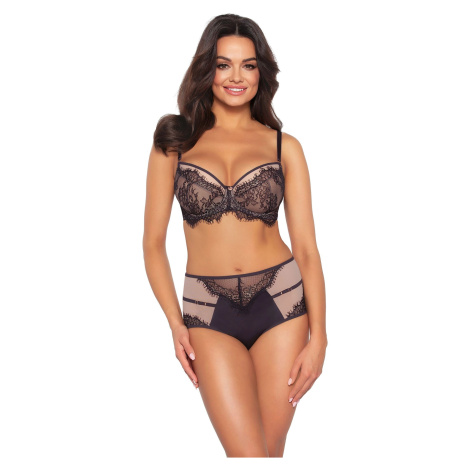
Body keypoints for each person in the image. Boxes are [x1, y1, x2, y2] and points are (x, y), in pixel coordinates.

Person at [143, 13, 327, 458]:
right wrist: (174, 322)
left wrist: (320, 336)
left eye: (248, 65)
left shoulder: (284, 146)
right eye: (224, 65)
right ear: (207, 70)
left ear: (261, 73)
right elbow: (152, 244)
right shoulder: (174, 143)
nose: (236, 77)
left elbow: (306, 248)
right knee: (247, 455)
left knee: (269, 452)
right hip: (207, 310)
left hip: (282, 302)